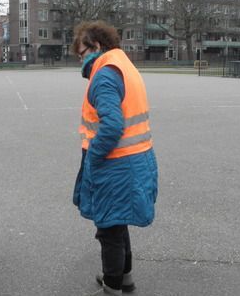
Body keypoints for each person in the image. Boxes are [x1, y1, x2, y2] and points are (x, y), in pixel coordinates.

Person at [72, 21, 159, 295]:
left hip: (116, 164)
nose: (81, 59)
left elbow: (111, 126)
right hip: (136, 159)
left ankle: (112, 287)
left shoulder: (105, 75)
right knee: (118, 223)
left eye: (82, 52)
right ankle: (126, 278)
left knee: (108, 229)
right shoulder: (123, 64)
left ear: (96, 46)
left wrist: (93, 159)